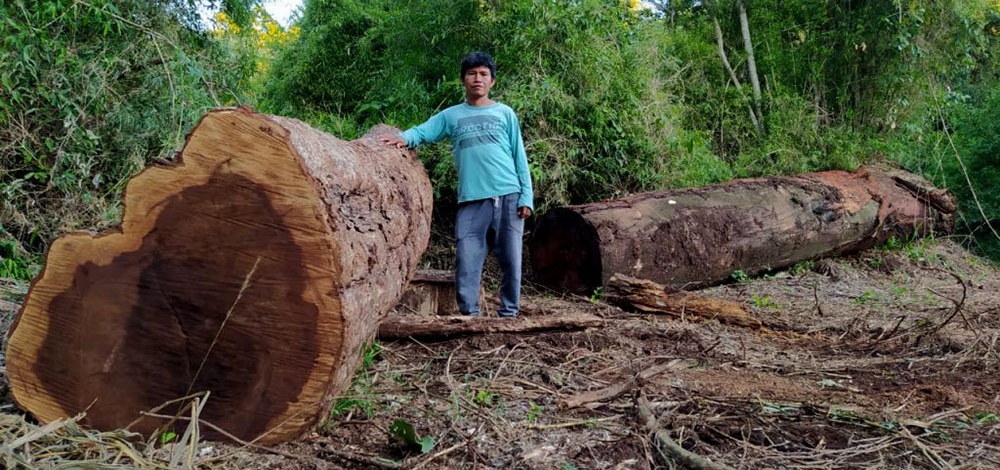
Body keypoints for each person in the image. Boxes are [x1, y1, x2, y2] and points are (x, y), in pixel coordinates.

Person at [384, 51, 533, 318]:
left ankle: (509, 314)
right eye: (472, 74)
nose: (478, 79)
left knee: (511, 261)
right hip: (471, 200)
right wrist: (403, 138)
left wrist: (527, 198)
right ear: (463, 80)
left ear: (492, 81)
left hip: (509, 196)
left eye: (483, 74)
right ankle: (470, 316)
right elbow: (423, 131)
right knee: (467, 260)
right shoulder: (452, 116)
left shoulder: (505, 114)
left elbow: (519, 156)